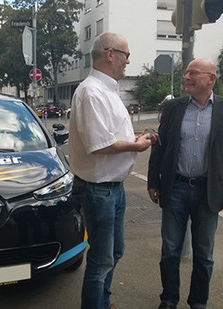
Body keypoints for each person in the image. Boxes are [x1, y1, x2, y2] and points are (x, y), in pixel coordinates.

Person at [147, 58, 223, 309]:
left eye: (193, 73)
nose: (186, 77)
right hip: (175, 188)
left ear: (211, 79)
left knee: (204, 255)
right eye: (186, 73)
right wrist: (153, 181)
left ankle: (198, 303)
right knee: (170, 251)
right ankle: (168, 300)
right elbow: (160, 148)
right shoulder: (173, 108)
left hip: (208, 191)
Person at [68, 32, 155, 309]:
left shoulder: (107, 90)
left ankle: (103, 302)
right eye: (126, 55)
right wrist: (135, 146)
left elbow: (107, 134)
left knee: (114, 252)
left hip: (112, 189)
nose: (128, 62)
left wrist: (133, 139)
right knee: (101, 258)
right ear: (110, 54)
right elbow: (99, 144)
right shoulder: (91, 92)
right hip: (98, 190)